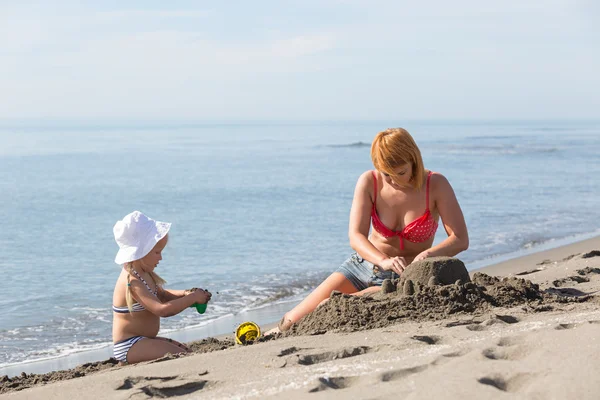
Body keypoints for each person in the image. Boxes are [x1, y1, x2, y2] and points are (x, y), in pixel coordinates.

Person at [274, 128, 469, 332]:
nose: (394, 181)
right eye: (387, 175)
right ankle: (259, 337)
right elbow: (356, 236)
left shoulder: (436, 184)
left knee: (328, 307)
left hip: (404, 276)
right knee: (290, 322)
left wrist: (428, 254)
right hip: (362, 266)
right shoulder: (369, 182)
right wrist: (383, 260)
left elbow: (460, 239)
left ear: (414, 160)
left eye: (401, 173)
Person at [112, 210, 212, 364]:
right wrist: (192, 298)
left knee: (185, 351)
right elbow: (162, 309)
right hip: (130, 345)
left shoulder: (144, 273)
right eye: (157, 252)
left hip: (143, 340)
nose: (161, 257)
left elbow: (163, 295)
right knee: (183, 357)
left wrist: (186, 294)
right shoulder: (132, 281)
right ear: (141, 252)